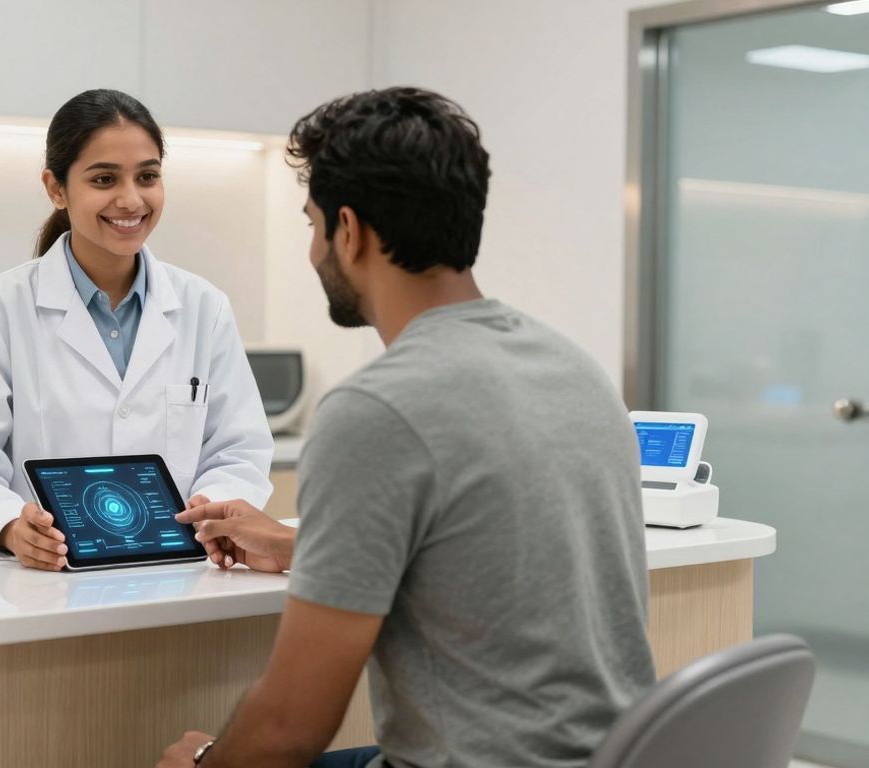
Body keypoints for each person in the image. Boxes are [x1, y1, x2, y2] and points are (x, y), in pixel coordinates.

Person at [158, 87, 655, 768]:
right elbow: (477, 566)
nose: (312, 250)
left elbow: (290, 727)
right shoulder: (576, 370)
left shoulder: (376, 412)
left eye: (312, 225)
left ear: (351, 231)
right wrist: (293, 546)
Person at [0, 89, 273, 571]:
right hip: (42, 582)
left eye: (148, 176)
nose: (131, 199)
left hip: (177, 572)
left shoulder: (203, 307)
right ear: (56, 188)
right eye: (104, 179)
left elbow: (240, 448)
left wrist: (210, 510)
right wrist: (9, 527)